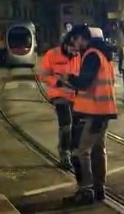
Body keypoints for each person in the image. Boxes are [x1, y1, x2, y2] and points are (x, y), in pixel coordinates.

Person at [63, 25, 117, 206]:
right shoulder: (104, 55)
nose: (74, 43)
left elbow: (84, 82)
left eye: (75, 39)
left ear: (82, 38)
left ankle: (86, 190)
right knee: (97, 150)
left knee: (80, 152)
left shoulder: (92, 55)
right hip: (104, 111)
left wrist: (69, 78)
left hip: (93, 112)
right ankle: (99, 188)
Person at [38, 32, 81, 170]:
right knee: (66, 124)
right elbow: (43, 75)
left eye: (77, 50)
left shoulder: (77, 56)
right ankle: (64, 155)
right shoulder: (51, 54)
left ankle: (73, 151)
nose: (75, 53)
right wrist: (56, 82)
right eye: (73, 49)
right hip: (59, 95)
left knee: (76, 125)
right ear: (65, 45)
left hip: (74, 95)